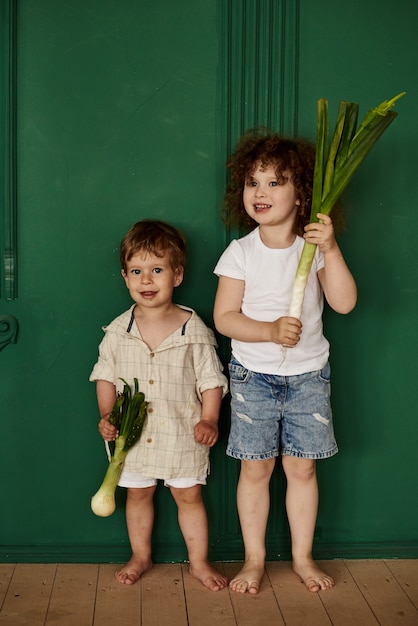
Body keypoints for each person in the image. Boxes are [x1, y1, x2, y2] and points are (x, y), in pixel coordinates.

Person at [213, 131, 357, 594]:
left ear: (302, 196)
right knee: (255, 468)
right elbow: (225, 318)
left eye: (275, 183)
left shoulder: (312, 249)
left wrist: (330, 249)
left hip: (308, 377)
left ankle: (302, 557)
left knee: (303, 469)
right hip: (253, 377)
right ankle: (254, 559)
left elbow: (345, 303)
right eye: (253, 182)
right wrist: (270, 331)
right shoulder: (241, 252)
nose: (261, 192)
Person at [90, 219, 229, 590]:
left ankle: (198, 562)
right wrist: (106, 415)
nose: (146, 280)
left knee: (188, 495)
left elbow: (211, 380)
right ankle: (140, 555)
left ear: (177, 275)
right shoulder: (118, 332)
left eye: (157, 270)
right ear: (125, 277)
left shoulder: (194, 331)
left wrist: (210, 419)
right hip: (131, 437)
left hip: (183, 433)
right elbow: (105, 376)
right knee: (138, 494)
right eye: (137, 271)